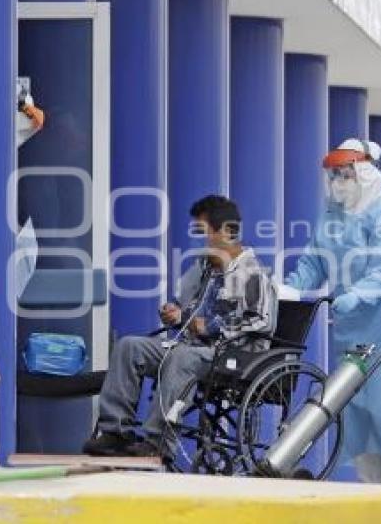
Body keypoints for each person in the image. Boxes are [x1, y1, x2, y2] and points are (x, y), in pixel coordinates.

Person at [285, 138, 381, 486]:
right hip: (354, 331)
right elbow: (316, 257)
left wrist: (357, 294)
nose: (338, 182)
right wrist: (294, 286)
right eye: (334, 175)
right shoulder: (333, 214)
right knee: (357, 413)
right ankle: (372, 494)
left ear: (364, 174)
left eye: (345, 175)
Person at [83, 195, 277, 460]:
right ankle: (115, 432)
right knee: (130, 347)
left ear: (228, 232)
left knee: (181, 358)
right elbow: (186, 307)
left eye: (203, 232)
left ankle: (158, 442)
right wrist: (175, 313)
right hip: (193, 348)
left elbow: (261, 319)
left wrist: (210, 326)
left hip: (232, 356)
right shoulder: (205, 269)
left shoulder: (251, 272)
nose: (199, 241)